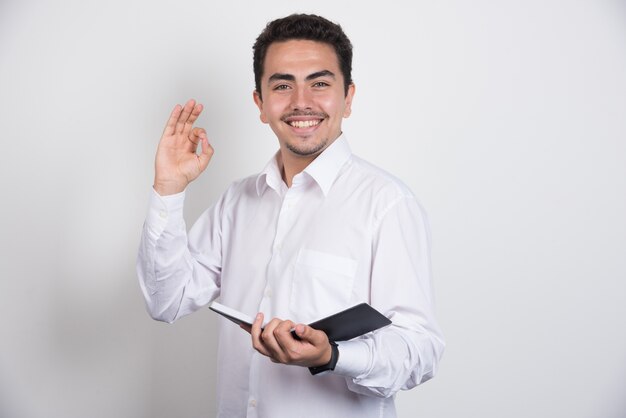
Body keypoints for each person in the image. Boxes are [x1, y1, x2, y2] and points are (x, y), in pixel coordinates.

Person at [137, 13, 445, 418]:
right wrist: (168, 190)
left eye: (320, 83)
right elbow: (167, 301)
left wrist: (332, 355)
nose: (302, 101)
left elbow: (420, 351)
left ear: (348, 98)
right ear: (260, 104)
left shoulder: (387, 204)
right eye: (282, 85)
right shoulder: (238, 201)